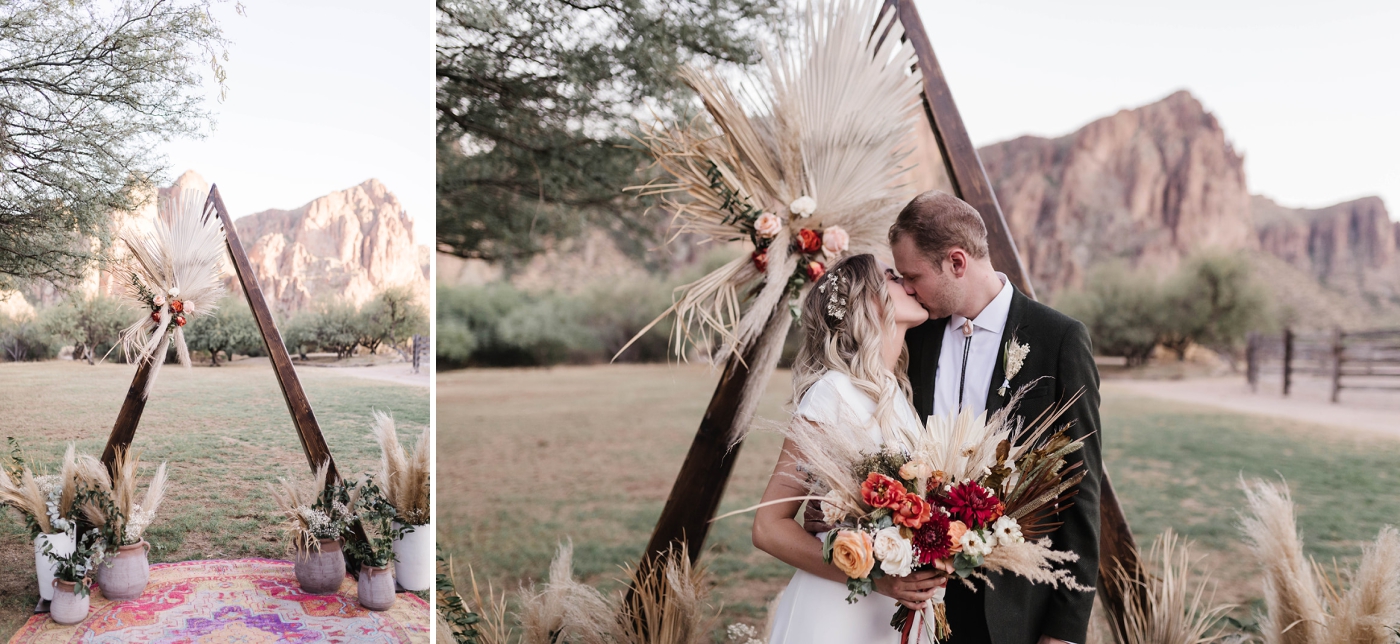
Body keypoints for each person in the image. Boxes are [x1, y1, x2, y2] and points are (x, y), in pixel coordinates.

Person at [890, 190, 1101, 644]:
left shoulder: (1058, 338)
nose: (906, 288)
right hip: (916, 598)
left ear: (957, 262)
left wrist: (1065, 631)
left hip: (1011, 610)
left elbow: (1080, 488)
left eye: (913, 276)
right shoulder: (915, 336)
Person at [753, 253, 944, 644]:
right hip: (840, 609)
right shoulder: (833, 394)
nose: (908, 283)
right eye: (892, 276)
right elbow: (768, 527)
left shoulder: (895, 395)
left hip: (895, 611)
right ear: (867, 302)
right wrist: (875, 579)